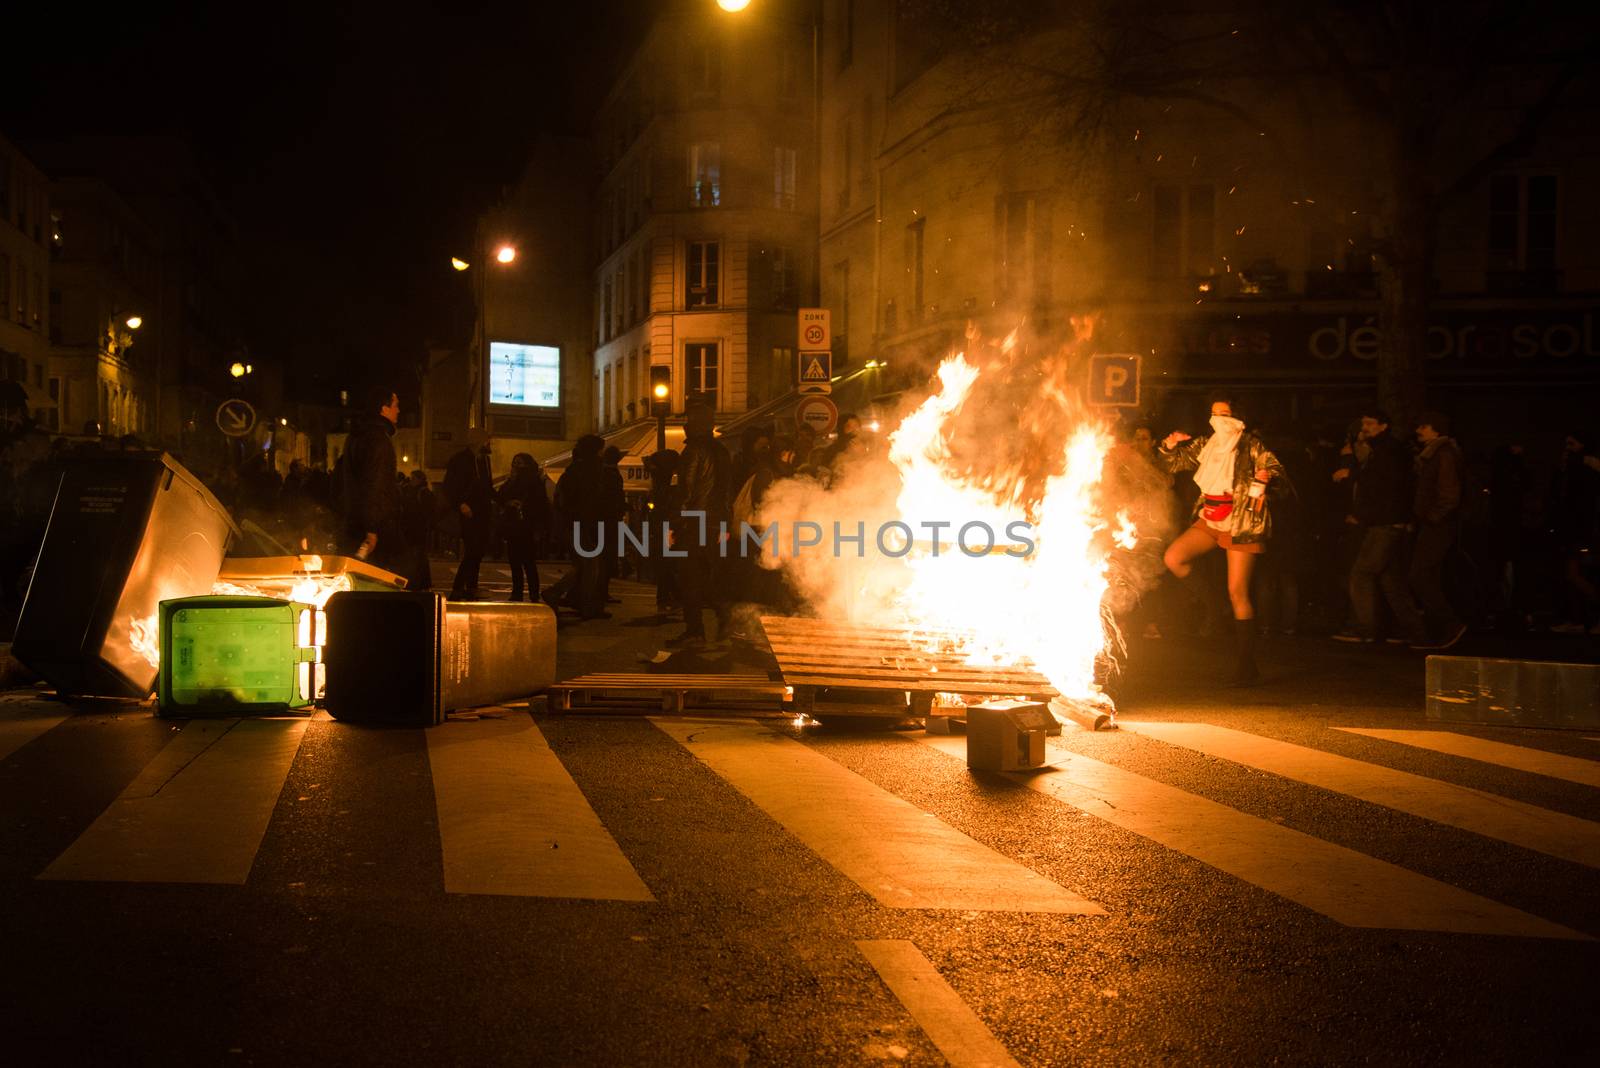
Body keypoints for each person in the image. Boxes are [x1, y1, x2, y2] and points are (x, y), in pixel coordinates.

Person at [1157, 393, 1286, 685]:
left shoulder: (1251, 445)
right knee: (1174, 558)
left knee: (1238, 592)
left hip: (1241, 521)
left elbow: (1277, 472)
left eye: (1225, 414)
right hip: (1210, 517)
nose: (1218, 419)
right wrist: (1169, 445)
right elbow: (1172, 464)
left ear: (1238, 417)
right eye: (1214, 413)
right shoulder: (1207, 444)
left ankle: (1246, 664)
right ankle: (1215, 606)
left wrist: (1267, 478)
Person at [1333, 409, 1426, 646]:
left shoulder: (1386, 453)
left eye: (1370, 423)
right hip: (1391, 521)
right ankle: (1411, 630)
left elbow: (1381, 488)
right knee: (1390, 579)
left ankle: (1366, 629)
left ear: (1383, 426)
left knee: (1361, 573)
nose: (1365, 427)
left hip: (1384, 523)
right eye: (1363, 423)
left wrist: (1362, 514)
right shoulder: (1389, 451)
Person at [667, 400, 732, 646]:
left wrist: (674, 525)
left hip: (693, 522)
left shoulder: (693, 451)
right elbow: (727, 491)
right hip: (715, 522)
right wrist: (725, 522)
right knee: (707, 574)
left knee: (689, 577)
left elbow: (686, 491)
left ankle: (695, 630)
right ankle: (724, 612)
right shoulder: (722, 451)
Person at [1406, 411, 1466, 650]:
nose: (1419, 430)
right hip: (1435, 523)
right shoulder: (1435, 454)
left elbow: (1449, 494)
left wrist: (1432, 517)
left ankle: (1450, 623)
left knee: (1419, 574)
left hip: (1437, 525)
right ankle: (1440, 630)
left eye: (1424, 426)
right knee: (1429, 574)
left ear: (1436, 429)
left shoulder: (1442, 454)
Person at [340, 385, 406, 573]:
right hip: (377, 527)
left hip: (354, 520)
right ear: (383, 408)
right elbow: (376, 484)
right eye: (395, 405)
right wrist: (372, 529)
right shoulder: (379, 440)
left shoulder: (355, 437)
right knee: (384, 578)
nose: (398, 410)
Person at [545, 434, 609, 619]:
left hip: (573, 522)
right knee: (590, 566)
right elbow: (590, 500)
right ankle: (562, 594)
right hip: (584, 522)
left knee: (584, 564)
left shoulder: (573, 469)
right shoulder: (592, 470)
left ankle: (571, 597)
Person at [443, 427, 494, 600]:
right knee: (472, 550)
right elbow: (450, 486)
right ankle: (458, 587)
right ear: (479, 441)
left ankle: (471, 586)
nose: (489, 443)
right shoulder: (460, 460)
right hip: (468, 512)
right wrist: (460, 504)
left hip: (482, 511)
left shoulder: (484, 461)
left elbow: (488, 487)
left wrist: (501, 500)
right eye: (487, 440)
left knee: (478, 551)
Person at [497, 453, 551, 602]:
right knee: (515, 561)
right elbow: (500, 496)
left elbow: (540, 504)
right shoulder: (513, 480)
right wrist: (509, 502)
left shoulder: (533, 481)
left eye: (519, 463)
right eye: (514, 463)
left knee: (527, 562)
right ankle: (518, 592)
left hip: (526, 525)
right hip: (514, 524)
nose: (516, 466)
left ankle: (531, 593)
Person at [599, 445, 628, 604]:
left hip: (605, 519)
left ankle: (601, 592)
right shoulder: (611, 475)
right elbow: (614, 497)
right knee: (607, 558)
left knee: (603, 558)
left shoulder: (603, 473)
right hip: (609, 521)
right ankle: (602, 592)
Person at [399, 470, 435, 591]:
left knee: (417, 557)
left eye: (413, 478)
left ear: (419, 479)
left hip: (417, 529)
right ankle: (422, 583)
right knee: (419, 558)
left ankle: (417, 583)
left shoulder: (422, 493)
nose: (411, 481)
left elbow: (425, 512)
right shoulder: (414, 491)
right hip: (415, 529)